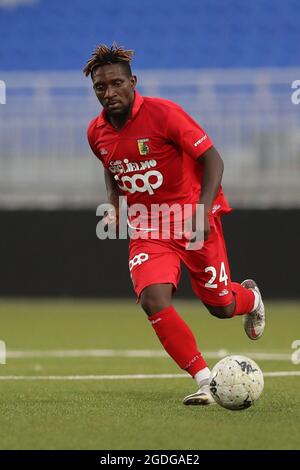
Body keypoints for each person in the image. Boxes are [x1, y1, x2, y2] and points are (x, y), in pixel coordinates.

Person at [84, 43, 265, 406]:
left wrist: (201, 210)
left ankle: (251, 298)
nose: (109, 93)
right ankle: (205, 380)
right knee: (153, 299)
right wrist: (114, 202)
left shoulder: (165, 114)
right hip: (148, 227)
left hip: (192, 218)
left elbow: (213, 159)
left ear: (133, 82)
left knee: (221, 306)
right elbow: (111, 164)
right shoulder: (95, 132)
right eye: (101, 87)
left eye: (117, 83)